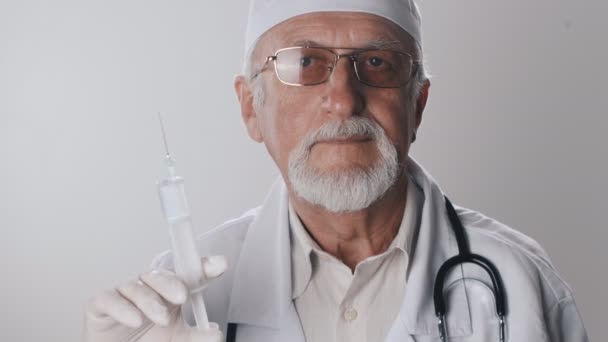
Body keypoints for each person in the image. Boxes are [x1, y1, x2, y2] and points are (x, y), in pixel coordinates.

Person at [83, 1, 590, 341]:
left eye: (377, 63)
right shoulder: (177, 301)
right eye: (304, 63)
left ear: (419, 104)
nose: (344, 101)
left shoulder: (520, 284)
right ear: (250, 109)